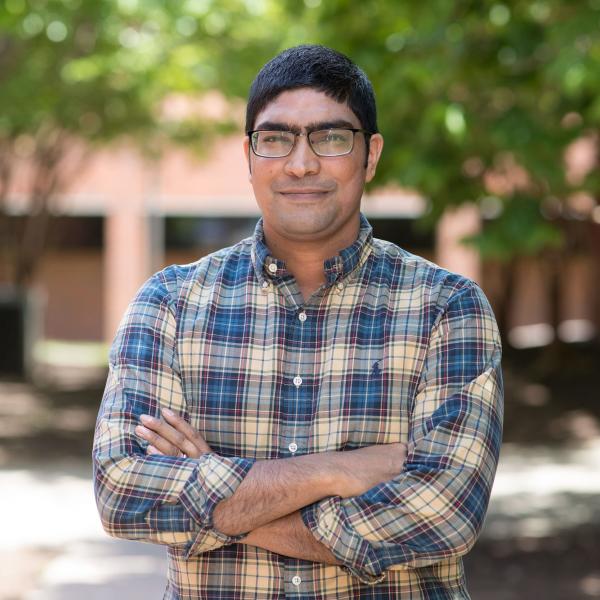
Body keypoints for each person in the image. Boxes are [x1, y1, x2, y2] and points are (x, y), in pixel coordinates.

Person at [93, 44, 503, 599]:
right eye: (276, 138)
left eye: (331, 138)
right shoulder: (170, 302)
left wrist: (219, 495)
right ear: (248, 154)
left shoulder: (447, 309)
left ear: (371, 154)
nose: (301, 163)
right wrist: (336, 471)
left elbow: (443, 514)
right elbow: (124, 494)